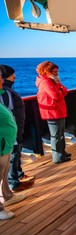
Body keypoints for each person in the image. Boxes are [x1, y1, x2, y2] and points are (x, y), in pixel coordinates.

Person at [0, 65, 35, 191]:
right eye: (12, 75)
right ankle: (13, 183)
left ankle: (17, 176)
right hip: (10, 135)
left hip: (14, 132)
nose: (14, 76)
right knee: (13, 157)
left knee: (15, 157)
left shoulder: (7, 91)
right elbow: (9, 115)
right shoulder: (6, 93)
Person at [0, 71, 26, 220]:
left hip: (6, 144)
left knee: (3, 174)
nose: (2, 79)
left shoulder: (2, 93)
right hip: (1, 145)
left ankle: (7, 196)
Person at [36, 61, 71, 164]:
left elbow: (65, 90)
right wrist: (61, 90)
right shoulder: (46, 82)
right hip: (52, 112)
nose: (57, 73)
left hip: (59, 110)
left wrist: (60, 90)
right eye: (54, 72)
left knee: (60, 133)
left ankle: (62, 152)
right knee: (55, 135)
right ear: (47, 71)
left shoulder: (54, 81)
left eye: (57, 72)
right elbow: (56, 95)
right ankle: (57, 157)